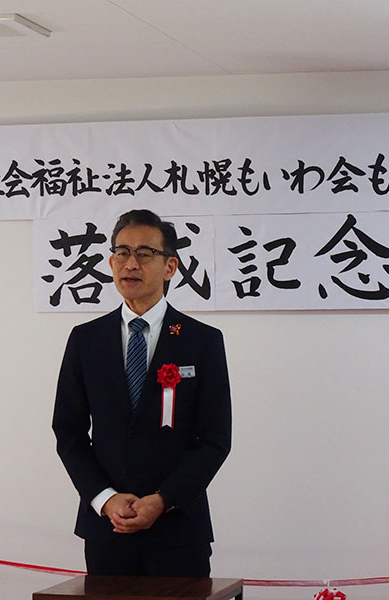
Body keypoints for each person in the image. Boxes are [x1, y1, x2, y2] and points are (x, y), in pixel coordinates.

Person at [52, 208, 232, 577]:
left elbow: (215, 439)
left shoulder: (202, 341)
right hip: (107, 531)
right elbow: (68, 433)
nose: (130, 264)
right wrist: (105, 499)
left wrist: (164, 500)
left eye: (144, 253)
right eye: (122, 252)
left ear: (170, 267)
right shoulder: (86, 340)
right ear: (111, 262)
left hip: (179, 530)